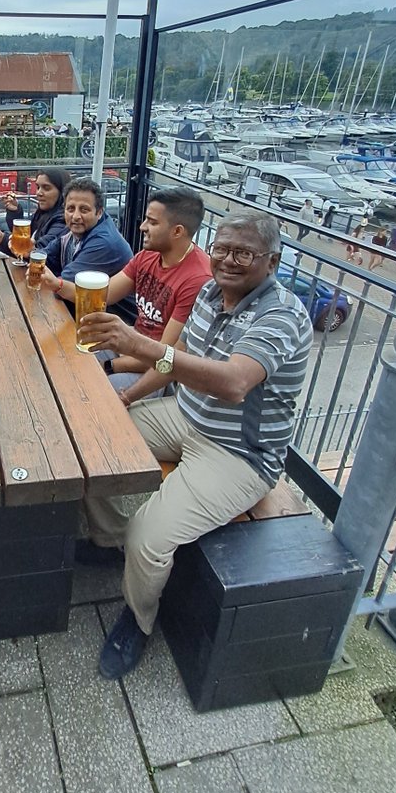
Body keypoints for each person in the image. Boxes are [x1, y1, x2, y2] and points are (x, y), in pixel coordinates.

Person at [76, 210, 313, 680]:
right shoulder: (209, 292)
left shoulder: (281, 315)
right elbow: (176, 365)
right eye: (222, 248)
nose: (227, 260)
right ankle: (109, 542)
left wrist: (138, 346)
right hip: (186, 417)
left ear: (273, 261)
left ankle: (139, 622)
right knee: (92, 442)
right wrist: (124, 395)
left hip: (238, 453)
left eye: (244, 252)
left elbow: (233, 384)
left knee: (148, 533)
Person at [96, 187, 212, 400]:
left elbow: (165, 357)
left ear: (177, 231)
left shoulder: (198, 279)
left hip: (151, 371)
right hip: (129, 344)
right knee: (70, 355)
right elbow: (104, 294)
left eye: (152, 222)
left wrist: (110, 365)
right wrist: (56, 284)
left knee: (88, 389)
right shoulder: (148, 255)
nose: (142, 227)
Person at [37, 177, 133, 307]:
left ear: (98, 213)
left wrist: (40, 272)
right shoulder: (76, 229)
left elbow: (61, 286)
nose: (76, 216)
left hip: (113, 317)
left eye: (84, 210)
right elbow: (44, 257)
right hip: (83, 307)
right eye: (71, 209)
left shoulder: (103, 242)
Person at [0, 168, 71, 258]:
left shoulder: (62, 220)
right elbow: (22, 234)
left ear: (62, 191)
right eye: (38, 187)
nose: (39, 193)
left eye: (46, 188)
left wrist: (3, 239)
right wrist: (14, 211)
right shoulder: (43, 213)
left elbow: (39, 251)